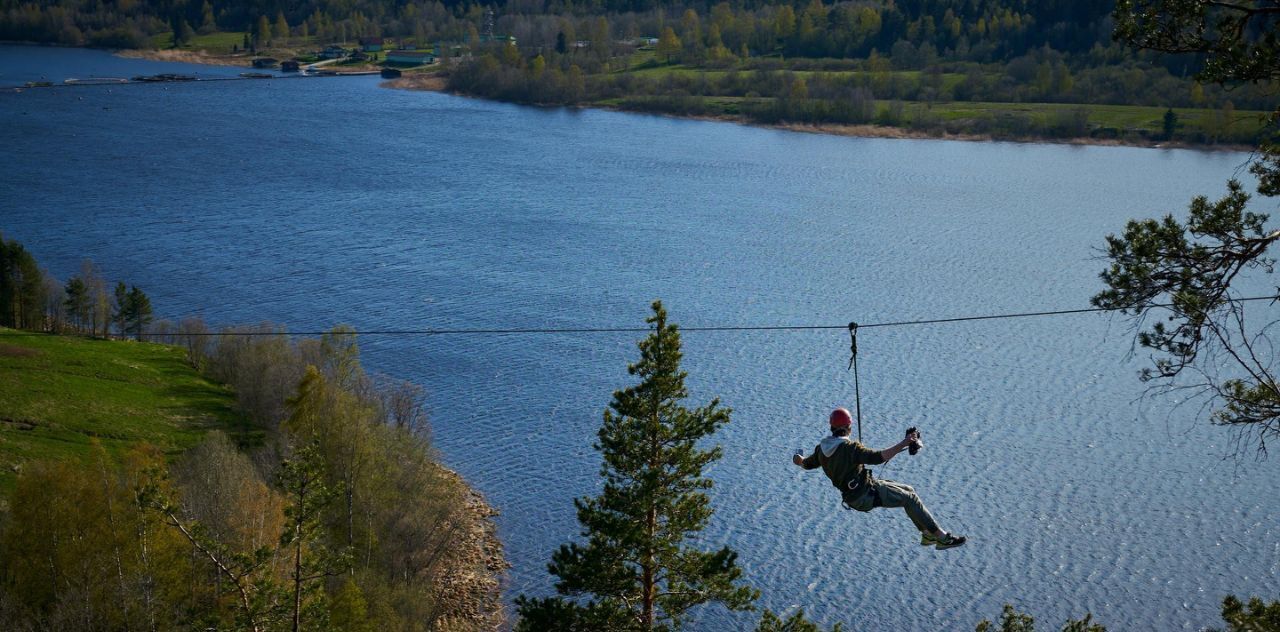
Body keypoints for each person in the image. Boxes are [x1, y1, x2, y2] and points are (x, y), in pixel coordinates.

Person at [793, 407, 965, 550]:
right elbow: (878, 457)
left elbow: (805, 464)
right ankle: (942, 537)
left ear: (831, 427)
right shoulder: (850, 448)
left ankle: (927, 535)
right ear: (848, 427)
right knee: (910, 498)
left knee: (909, 490)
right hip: (865, 495)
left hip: (856, 495)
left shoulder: (821, 450)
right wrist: (904, 443)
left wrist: (797, 458)